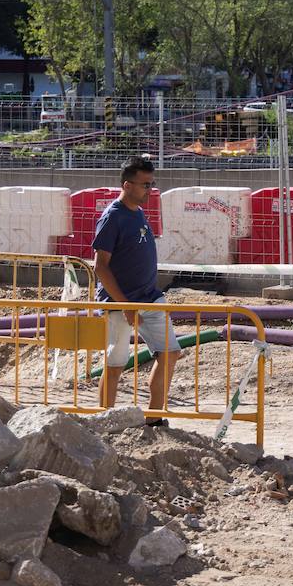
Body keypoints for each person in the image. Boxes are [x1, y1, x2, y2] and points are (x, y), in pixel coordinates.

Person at [93, 155, 179, 423]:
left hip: (149, 296)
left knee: (170, 352)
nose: (150, 191)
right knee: (115, 364)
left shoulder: (139, 213)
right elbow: (101, 267)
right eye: (145, 185)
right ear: (127, 185)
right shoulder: (113, 217)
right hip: (118, 302)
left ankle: (153, 418)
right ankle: (105, 420)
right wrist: (125, 306)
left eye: (152, 185)